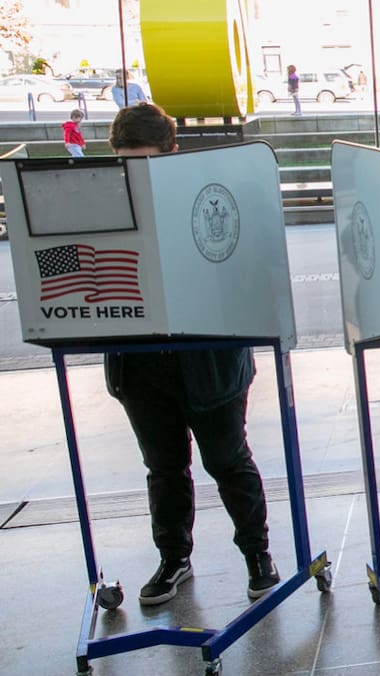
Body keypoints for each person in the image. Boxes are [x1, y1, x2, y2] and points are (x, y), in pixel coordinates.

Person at [104, 103, 280, 605]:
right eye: (126, 163)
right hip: (138, 361)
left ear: (171, 152)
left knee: (227, 459)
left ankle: (257, 555)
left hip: (210, 357)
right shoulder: (110, 200)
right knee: (164, 467)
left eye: (146, 161)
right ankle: (174, 558)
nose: (136, 174)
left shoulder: (204, 197)